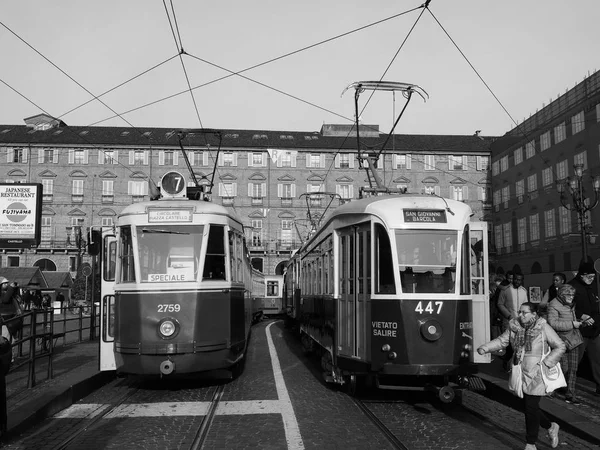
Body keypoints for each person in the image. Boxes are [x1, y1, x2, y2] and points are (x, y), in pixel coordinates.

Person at [477, 302, 564, 450]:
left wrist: (546, 363)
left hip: (537, 373)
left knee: (530, 407)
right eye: (520, 312)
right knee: (529, 407)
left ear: (534, 314)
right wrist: (485, 348)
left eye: (525, 312)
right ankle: (551, 426)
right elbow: (501, 341)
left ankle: (530, 443)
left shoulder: (543, 327)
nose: (521, 315)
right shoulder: (514, 326)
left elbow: (560, 346)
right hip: (520, 372)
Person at [547, 284, 583, 404]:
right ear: (562, 295)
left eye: (573, 295)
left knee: (573, 368)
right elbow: (553, 323)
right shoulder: (553, 304)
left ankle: (570, 393)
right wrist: (572, 324)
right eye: (569, 295)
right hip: (560, 340)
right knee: (563, 367)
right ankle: (554, 388)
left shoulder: (571, 304)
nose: (571, 297)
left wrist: (580, 321)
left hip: (573, 339)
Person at [570, 260, 600, 395]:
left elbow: (596, 306)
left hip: (594, 330)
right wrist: (581, 316)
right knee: (575, 360)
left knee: (597, 360)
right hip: (579, 331)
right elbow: (566, 308)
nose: (592, 279)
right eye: (590, 277)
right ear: (582, 275)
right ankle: (566, 386)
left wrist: (595, 319)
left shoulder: (593, 285)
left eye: (593, 277)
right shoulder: (572, 286)